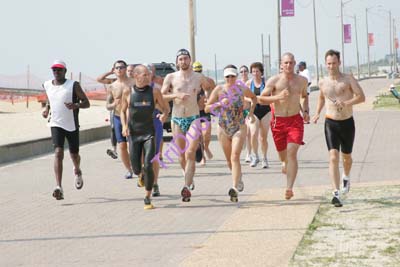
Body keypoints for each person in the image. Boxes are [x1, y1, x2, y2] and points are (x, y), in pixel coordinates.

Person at [312, 49, 365, 207]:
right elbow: (321, 97)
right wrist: (316, 114)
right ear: (325, 64)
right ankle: (335, 192)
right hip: (331, 123)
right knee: (333, 157)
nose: (331, 66)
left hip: (347, 122)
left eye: (334, 63)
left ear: (339, 63)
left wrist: (346, 103)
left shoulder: (348, 79)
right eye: (328, 64)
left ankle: (346, 176)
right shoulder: (322, 82)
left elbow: (361, 97)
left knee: (346, 158)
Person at [161, 48, 211, 202]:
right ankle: (188, 177)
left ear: (190, 60)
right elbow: (162, 95)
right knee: (181, 155)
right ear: (177, 62)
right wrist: (176, 95)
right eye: (180, 59)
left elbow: (209, 87)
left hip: (194, 117)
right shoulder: (171, 77)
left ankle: (186, 187)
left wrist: (207, 99)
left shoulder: (198, 77)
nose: (183, 61)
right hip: (177, 119)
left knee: (190, 153)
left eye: (185, 58)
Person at [258, 52, 309, 200]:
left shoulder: (302, 81)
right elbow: (261, 99)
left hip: (295, 121)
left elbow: (305, 96)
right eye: (286, 63)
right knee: (283, 155)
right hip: (278, 122)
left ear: (295, 64)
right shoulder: (274, 81)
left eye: (291, 63)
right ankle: (284, 163)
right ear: (281, 64)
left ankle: (289, 188)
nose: (288, 65)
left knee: (292, 153)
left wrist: (305, 110)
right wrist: (278, 97)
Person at [120, 65, 169, 209]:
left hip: (149, 133)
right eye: (145, 74)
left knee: (148, 164)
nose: (148, 77)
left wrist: (164, 115)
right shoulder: (128, 91)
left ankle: (147, 197)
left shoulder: (154, 92)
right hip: (134, 134)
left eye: (149, 74)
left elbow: (166, 108)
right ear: (136, 76)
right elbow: (122, 111)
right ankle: (140, 175)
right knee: (136, 168)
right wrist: (124, 126)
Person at [205, 65, 256, 202]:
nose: (230, 79)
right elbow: (206, 108)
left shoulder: (241, 89)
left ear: (236, 77)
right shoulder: (219, 89)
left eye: (232, 76)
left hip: (239, 126)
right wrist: (219, 103)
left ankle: (234, 189)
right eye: (227, 76)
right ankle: (238, 178)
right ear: (224, 77)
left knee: (235, 156)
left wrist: (250, 113)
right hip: (223, 127)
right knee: (229, 160)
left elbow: (254, 98)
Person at [42, 60, 90, 200]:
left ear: (65, 71)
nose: (56, 72)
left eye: (59, 70)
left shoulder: (73, 85)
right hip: (55, 123)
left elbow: (87, 103)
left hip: (71, 125)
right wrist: (46, 109)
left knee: (74, 155)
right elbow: (49, 99)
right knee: (58, 152)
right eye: (54, 70)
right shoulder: (47, 85)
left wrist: (76, 105)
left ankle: (77, 170)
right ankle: (59, 187)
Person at [97, 60, 134, 179]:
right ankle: (129, 170)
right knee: (122, 145)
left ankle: (138, 166)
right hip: (118, 116)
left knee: (133, 145)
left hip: (132, 117)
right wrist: (113, 104)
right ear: (114, 70)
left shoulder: (133, 82)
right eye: (116, 68)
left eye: (122, 67)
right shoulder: (112, 85)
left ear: (125, 68)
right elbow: (108, 105)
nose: (119, 70)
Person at [246, 62, 272, 168]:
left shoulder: (266, 83)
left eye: (257, 71)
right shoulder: (248, 84)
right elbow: (244, 97)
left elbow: (271, 97)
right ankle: (255, 156)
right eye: (253, 71)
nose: (255, 73)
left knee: (263, 137)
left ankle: (264, 158)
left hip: (266, 110)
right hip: (253, 111)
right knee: (253, 134)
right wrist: (253, 100)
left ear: (261, 72)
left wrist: (263, 100)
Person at [192, 61, 216, 165]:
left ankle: (206, 147)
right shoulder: (191, 82)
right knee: (198, 136)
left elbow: (216, 93)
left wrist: (211, 102)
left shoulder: (209, 81)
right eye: (196, 71)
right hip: (194, 111)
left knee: (206, 133)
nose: (198, 73)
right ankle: (202, 157)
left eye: (199, 71)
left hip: (205, 111)